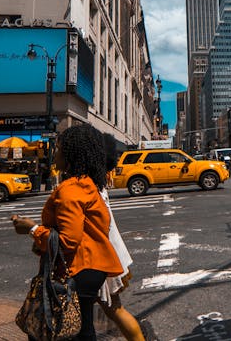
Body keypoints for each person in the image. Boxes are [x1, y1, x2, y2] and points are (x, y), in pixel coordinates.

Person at [12, 124, 122, 340]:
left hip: (77, 268)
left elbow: (68, 241)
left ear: (70, 154)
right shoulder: (88, 184)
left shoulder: (70, 190)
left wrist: (32, 229)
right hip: (92, 267)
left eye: (59, 148)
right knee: (82, 326)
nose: (55, 152)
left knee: (66, 329)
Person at [97, 134, 145, 341]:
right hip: (104, 258)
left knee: (113, 308)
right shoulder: (97, 184)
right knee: (111, 309)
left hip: (100, 259)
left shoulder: (91, 188)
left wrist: (35, 229)